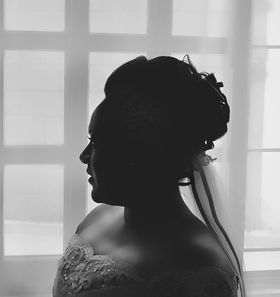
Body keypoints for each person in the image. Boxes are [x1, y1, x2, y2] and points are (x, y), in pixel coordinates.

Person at [52, 55, 246, 297]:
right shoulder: (96, 220)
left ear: (139, 151)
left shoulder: (199, 269)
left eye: (98, 142)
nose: (83, 156)